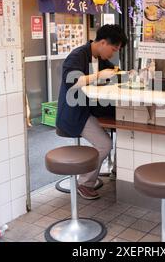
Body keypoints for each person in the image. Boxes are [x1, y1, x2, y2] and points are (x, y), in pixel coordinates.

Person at [56, 24, 127, 200]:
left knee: (122, 126)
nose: (113, 54)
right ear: (102, 42)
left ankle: (116, 170)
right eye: (113, 48)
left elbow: (113, 73)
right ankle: (84, 183)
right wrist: (98, 76)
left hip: (92, 109)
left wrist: (128, 74)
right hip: (75, 112)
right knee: (105, 144)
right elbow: (72, 81)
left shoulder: (100, 58)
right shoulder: (78, 55)